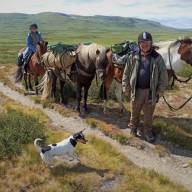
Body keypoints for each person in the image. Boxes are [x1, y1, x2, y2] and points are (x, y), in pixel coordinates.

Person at [122, 32, 168, 143]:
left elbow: (163, 76)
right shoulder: (133, 56)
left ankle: (147, 132)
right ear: (139, 44)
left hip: (150, 92)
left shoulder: (157, 58)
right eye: (142, 42)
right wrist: (125, 87)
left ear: (151, 43)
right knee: (134, 112)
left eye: (147, 42)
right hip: (136, 90)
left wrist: (160, 91)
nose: (144, 44)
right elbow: (126, 73)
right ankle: (133, 128)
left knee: (148, 115)